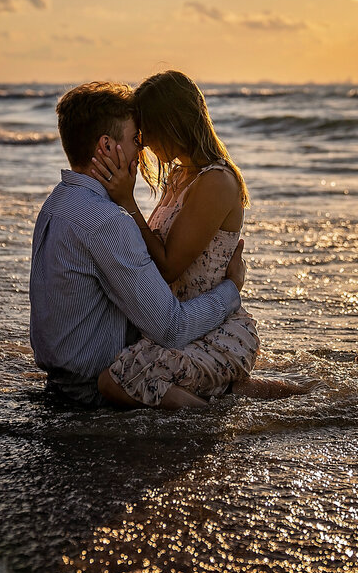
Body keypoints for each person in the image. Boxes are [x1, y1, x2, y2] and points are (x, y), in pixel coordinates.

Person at [29, 80, 247, 409]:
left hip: (62, 381)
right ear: (106, 146)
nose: (141, 148)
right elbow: (172, 328)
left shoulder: (57, 204)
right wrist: (232, 287)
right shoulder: (105, 220)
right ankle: (213, 423)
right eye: (135, 139)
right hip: (92, 392)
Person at [88, 70, 266, 409]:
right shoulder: (179, 176)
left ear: (172, 123)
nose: (143, 140)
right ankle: (226, 397)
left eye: (148, 129)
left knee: (115, 381)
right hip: (177, 325)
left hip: (213, 331)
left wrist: (128, 203)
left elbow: (168, 266)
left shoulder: (216, 182)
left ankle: (212, 423)